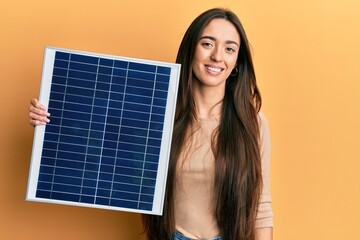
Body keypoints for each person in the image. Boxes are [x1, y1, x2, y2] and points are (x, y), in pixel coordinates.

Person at [29, 8, 273, 240]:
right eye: (207, 43)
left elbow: (261, 206)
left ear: (237, 63)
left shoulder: (252, 123)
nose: (217, 56)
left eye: (229, 49)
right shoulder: (158, 115)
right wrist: (50, 121)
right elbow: (97, 140)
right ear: (191, 49)